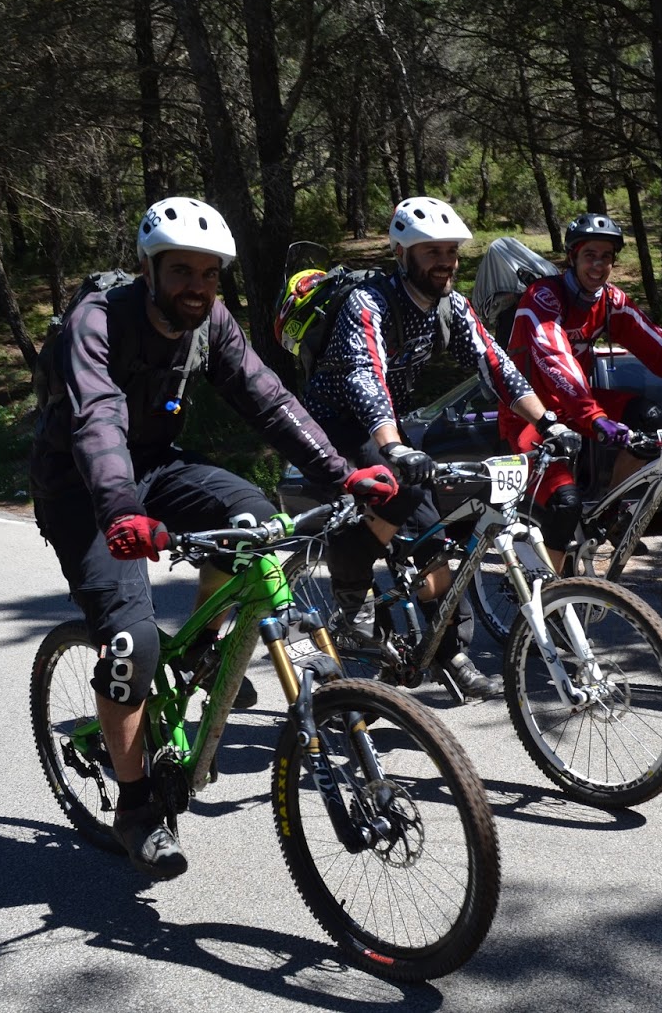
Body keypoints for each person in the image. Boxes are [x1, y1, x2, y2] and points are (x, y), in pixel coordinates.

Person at [29, 196, 396, 879]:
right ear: (148, 268)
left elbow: (269, 399)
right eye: (181, 271)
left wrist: (342, 474)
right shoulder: (97, 321)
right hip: (82, 489)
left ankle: (201, 647)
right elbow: (97, 420)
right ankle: (136, 808)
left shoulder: (213, 322)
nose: (196, 286)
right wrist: (120, 510)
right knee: (131, 642)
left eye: (209, 273)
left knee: (253, 521)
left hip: (155, 467)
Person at [301, 196, 578, 701]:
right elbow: (366, 376)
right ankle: (351, 598)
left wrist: (548, 422)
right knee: (394, 493)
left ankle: (448, 651)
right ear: (401, 253)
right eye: (432, 252)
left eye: (451, 251)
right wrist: (393, 448)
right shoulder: (369, 303)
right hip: (334, 426)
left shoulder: (450, 305)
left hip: (386, 425)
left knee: (431, 533)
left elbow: (495, 364)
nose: (445, 262)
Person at [499, 212, 662, 569]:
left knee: (648, 416)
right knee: (565, 504)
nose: (598, 265)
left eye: (606, 256)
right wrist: (595, 418)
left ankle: (609, 514)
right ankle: (547, 590)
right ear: (572, 257)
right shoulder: (543, 297)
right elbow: (556, 359)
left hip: (576, 410)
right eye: (590, 255)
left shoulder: (610, 300)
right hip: (531, 416)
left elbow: (657, 347)